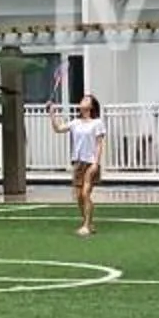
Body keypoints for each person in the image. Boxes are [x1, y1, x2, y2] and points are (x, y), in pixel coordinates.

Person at [50, 93, 106, 235]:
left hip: (91, 162)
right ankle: (88, 222)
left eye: (86, 100)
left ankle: (86, 225)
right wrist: (52, 114)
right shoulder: (75, 123)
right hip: (78, 162)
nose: (82, 101)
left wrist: (96, 163)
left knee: (86, 193)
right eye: (82, 99)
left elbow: (99, 144)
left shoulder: (97, 123)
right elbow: (58, 129)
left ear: (91, 106)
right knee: (79, 196)